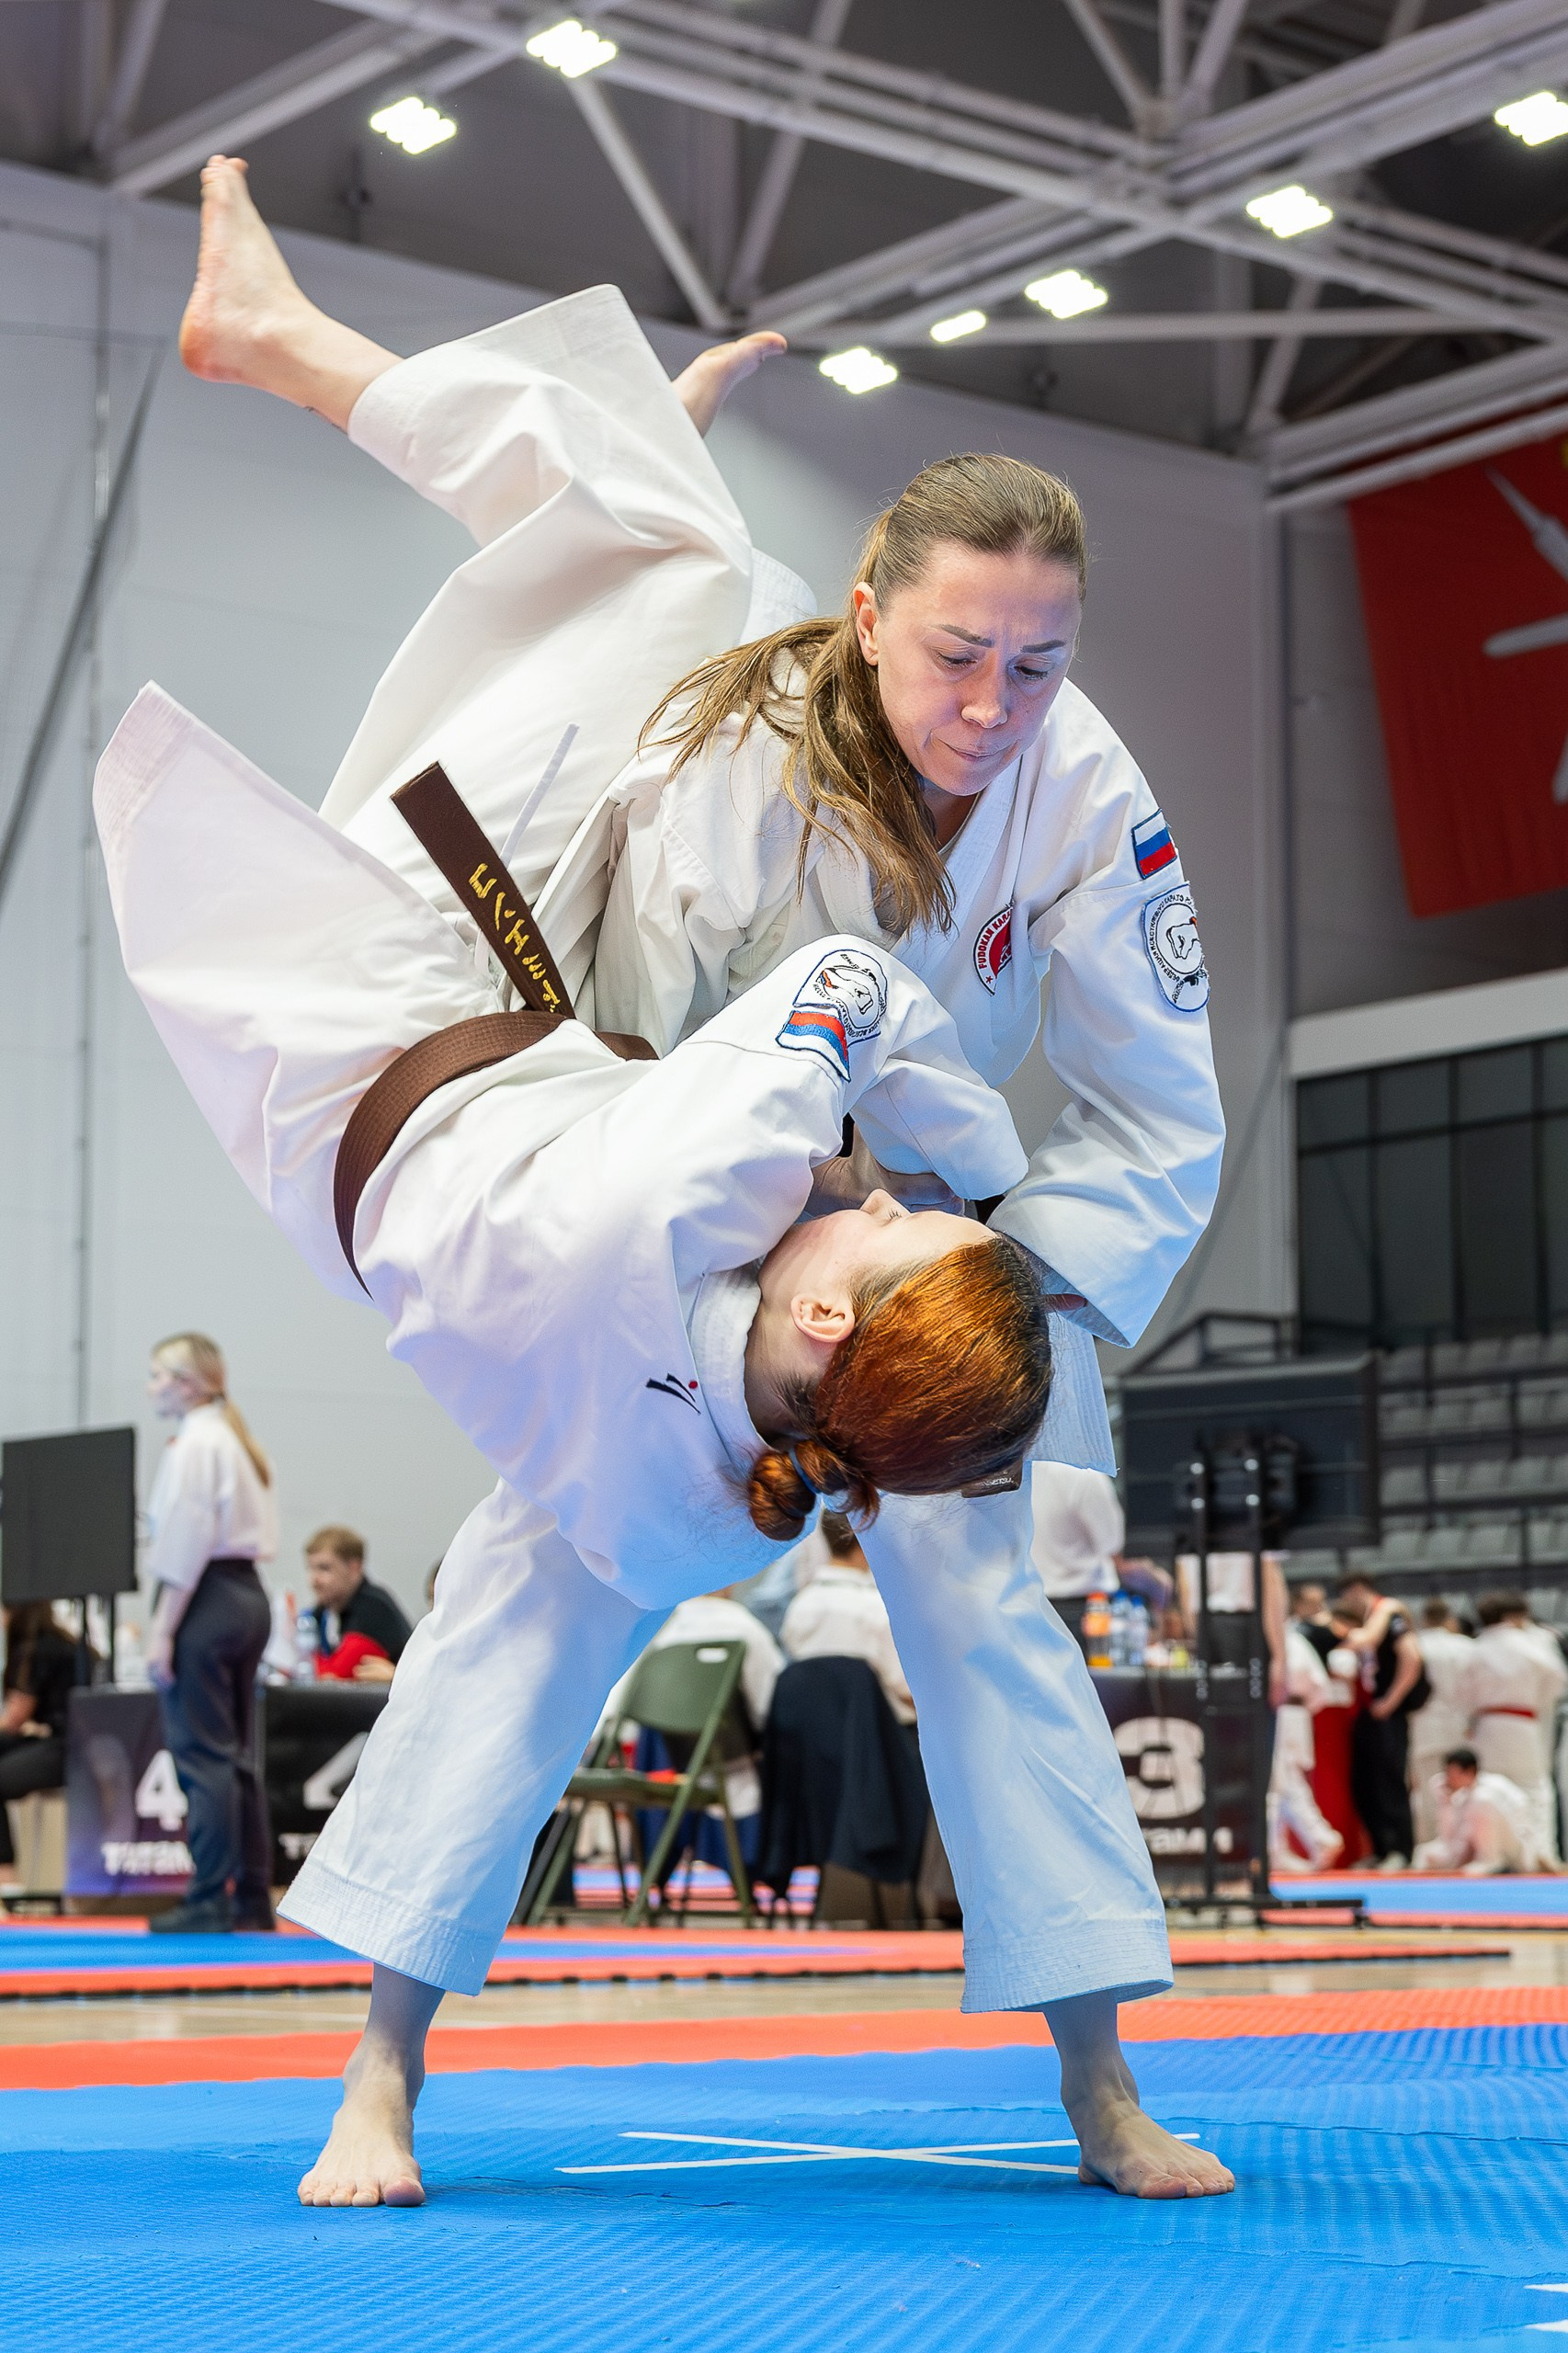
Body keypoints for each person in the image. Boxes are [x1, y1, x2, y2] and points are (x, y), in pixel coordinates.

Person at [147, 158, 1235, 2206]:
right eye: (959, 655)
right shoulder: (726, 756)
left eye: (1038, 663)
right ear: (870, 617)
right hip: (705, 1216)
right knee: (536, 1581)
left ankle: (1102, 2088)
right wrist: (762, 1270)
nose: (995, 708)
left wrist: (991, 1316)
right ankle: (379, 2071)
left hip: (935, 1247)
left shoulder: (1084, 793)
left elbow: (1160, 1118)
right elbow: (629, 1081)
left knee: (987, 1610)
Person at [142, 1332, 278, 1933]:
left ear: (185, 1384)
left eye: (157, 1376)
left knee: (203, 1755)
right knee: (236, 1757)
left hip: (205, 1595)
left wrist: (162, 1629)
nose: (151, 1387)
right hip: (246, 1595)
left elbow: (186, 1540)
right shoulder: (232, 1440)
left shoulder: (197, 1444)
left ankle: (207, 1897)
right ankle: (249, 1897)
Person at [1458, 1594, 1568, 1865]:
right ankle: (1541, 1853)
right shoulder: (1530, 1643)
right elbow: (1557, 1681)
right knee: (1534, 1789)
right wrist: (1536, 1702)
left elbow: (1462, 1694)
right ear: (1512, 1616)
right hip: (1522, 1722)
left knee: (1487, 1791)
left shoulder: (1475, 1648)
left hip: (1485, 1724)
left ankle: (1493, 1854)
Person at [779, 1511, 914, 1723]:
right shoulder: (876, 1610)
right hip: (887, 1734)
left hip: (821, 1731)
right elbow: (906, 1690)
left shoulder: (798, 1608)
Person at [1334, 1574, 1428, 1873]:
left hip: (1387, 1711)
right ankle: (1380, 1848)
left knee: (1390, 1779)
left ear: (1357, 1590)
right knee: (1363, 1781)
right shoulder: (1368, 1619)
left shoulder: (1388, 1613)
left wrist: (1391, 1700)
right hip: (1366, 1710)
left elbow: (1412, 1659)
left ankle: (1400, 1849)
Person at [0, 1603, 79, 1888]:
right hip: (69, 1740)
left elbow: (14, 1719)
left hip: (69, 1748)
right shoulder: (64, 1644)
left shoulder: (35, 1651)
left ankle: (6, 1877)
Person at [1267, 1618, 1345, 1875]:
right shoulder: (1296, 1640)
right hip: (1296, 1715)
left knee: (1278, 1782)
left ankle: (1319, 1838)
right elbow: (1321, 1688)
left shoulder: (1280, 1640)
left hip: (1280, 1714)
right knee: (1283, 1781)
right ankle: (1279, 1850)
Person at [1413, 1746, 1554, 1876]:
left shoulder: (1493, 1788)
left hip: (1511, 1849)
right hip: (1472, 1849)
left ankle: (1491, 1861)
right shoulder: (1458, 1793)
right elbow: (1449, 1838)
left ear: (1469, 1772)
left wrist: (1535, 1854)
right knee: (1423, 1853)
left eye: (1453, 1774)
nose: (1449, 1779)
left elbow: (1523, 1821)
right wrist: (1446, 1802)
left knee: (1481, 1800)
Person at [301, 1527, 413, 1684]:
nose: (314, 1580)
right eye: (310, 1569)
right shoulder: (322, 1612)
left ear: (354, 1567)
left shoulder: (373, 1608)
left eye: (324, 1569)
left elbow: (334, 1676)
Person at [1409, 1599, 1476, 1847]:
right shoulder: (1467, 1647)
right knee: (1466, 1790)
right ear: (1450, 1620)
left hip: (1423, 1726)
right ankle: (1463, 1845)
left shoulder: (1415, 1644)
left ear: (1424, 1620)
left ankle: (1429, 1846)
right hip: (1461, 1726)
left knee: (1428, 1792)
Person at [1290, 1581, 1338, 1669]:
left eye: (1321, 1602)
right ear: (1298, 1604)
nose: (1318, 1607)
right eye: (1312, 1603)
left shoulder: (1330, 1625)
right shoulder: (1289, 1627)